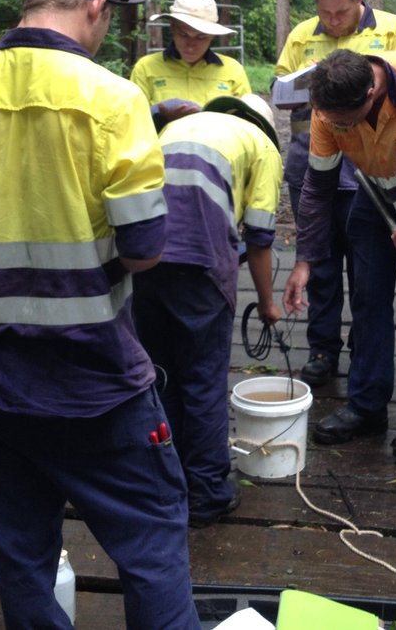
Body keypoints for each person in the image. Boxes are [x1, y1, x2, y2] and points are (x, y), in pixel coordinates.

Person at [0, 0, 200, 630]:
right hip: (95, 381)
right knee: (154, 542)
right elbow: (145, 252)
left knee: (23, 562)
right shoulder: (114, 99)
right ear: (97, 5)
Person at [282, 49, 396, 464]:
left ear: (371, 92)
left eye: (344, 122)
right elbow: (318, 187)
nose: (337, 127)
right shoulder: (328, 108)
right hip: (378, 191)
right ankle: (367, 407)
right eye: (332, 121)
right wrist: (305, 259)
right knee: (366, 299)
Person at [133, 94, 284, 528]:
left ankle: (165, 479)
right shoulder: (262, 144)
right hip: (197, 263)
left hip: (141, 255)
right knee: (202, 378)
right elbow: (259, 237)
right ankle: (207, 492)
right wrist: (268, 304)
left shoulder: (176, 128)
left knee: (160, 372)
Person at [273, 0, 396, 389]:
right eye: (325, 14)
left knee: (367, 266)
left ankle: (364, 346)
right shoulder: (302, 35)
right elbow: (280, 91)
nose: (332, 22)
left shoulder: (392, 31)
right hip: (312, 167)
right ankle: (321, 348)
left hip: (369, 172)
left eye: (341, 13)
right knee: (319, 260)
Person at [129, 0, 250, 127]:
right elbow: (133, 124)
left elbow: (249, 125)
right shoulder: (146, 68)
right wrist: (160, 117)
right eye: (184, 35)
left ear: (212, 36)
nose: (191, 45)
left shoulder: (233, 70)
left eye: (201, 37)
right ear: (173, 28)